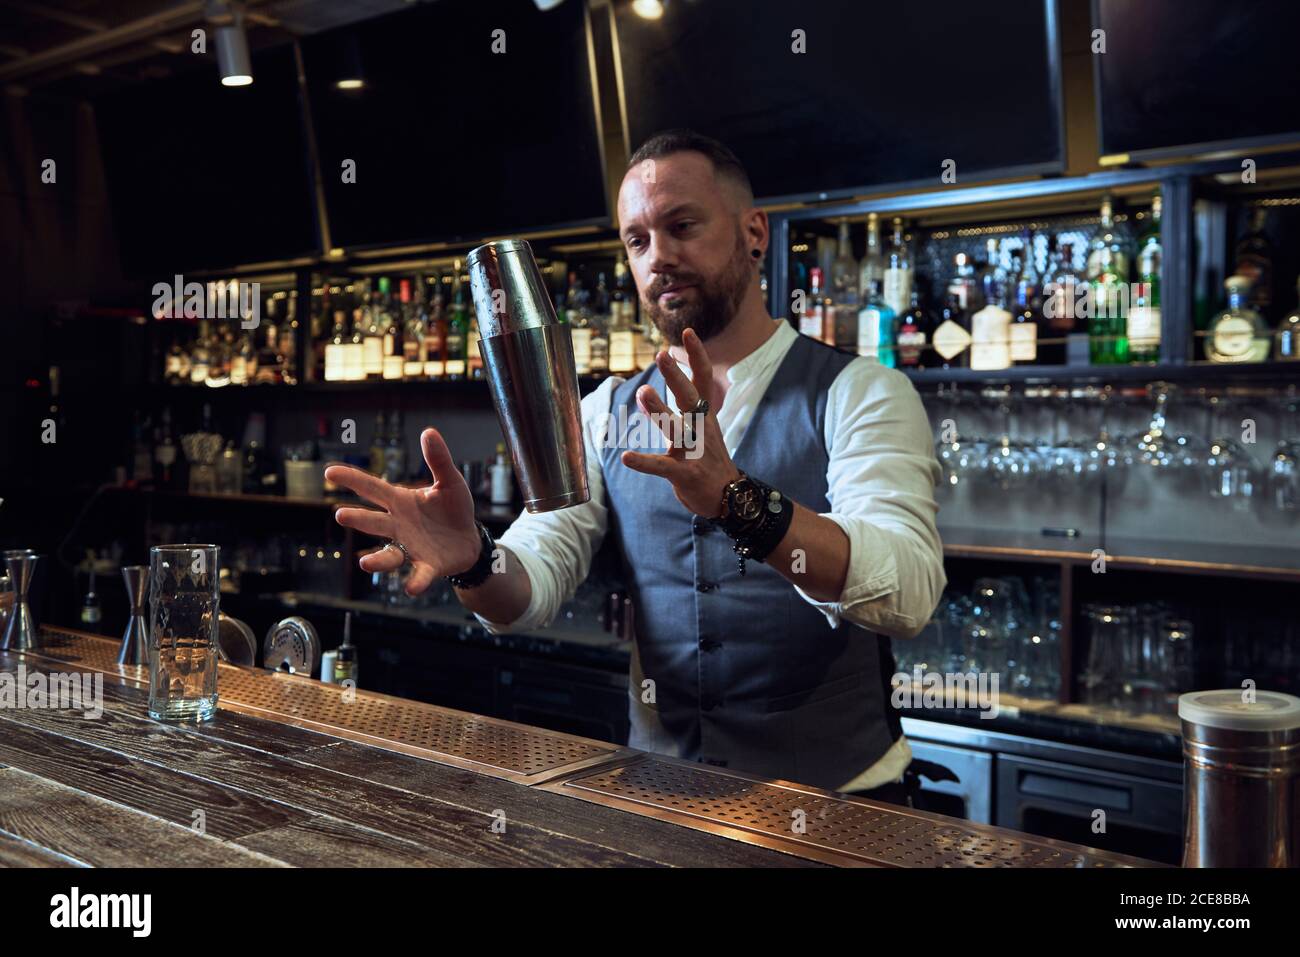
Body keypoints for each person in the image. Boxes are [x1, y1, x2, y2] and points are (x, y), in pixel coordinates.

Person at [326, 130, 945, 801]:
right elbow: (536, 576)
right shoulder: (606, 410)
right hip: (664, 799)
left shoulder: (859, 391)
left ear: (755, 233)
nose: (659, 258)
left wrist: (739, 499)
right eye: (637, 240)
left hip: (839, 805)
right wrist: (476, 559)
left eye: (682, 226)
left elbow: (908, 590)